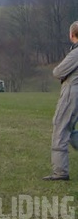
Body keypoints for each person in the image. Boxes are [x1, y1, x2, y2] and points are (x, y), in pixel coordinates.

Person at [43, 20, 78, 181]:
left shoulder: (75, 53)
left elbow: (58, 72)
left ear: (72, 35)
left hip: (71, 92)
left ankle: (60, 172)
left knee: (60, 128)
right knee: (69, 129)